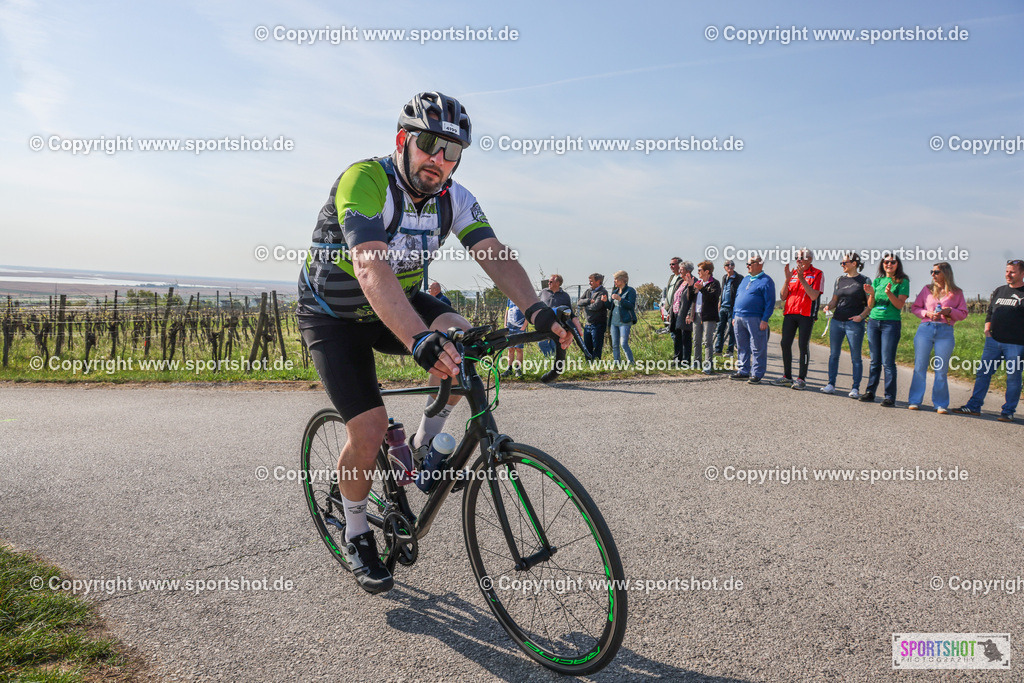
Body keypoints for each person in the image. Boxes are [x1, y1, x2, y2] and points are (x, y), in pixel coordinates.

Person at [296, 92, 572, 594]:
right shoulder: (366, 180)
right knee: (369, 427)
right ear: (403, 140)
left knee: (463, 342)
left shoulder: (455, 198)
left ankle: (425, 445)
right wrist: (418, 337)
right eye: (428, 143)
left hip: (399, 300)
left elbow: (494, 253)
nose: (439, 159)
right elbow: (369, 266)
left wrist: (536, 308)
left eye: (452, 150)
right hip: (335, 315)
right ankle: (356, 531)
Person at [955, 259, 1024, 422]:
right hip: (993, 342)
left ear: (1022, 273)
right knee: (983, 373)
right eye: (1007, 271)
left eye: (1012, 272)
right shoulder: (1000, 290)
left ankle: (1008, 412)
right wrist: (987, 329)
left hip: (1016, 344)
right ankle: (974, 406)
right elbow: (990, 312)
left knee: (1013, 377)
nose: (1008, 274)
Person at [907, 262, 968, 413]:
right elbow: (915, 308)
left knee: (941, 369)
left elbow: (963, 313)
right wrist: (927, 313)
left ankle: (940, 404)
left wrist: (950, 311)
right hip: (925, 329)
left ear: (946, 273)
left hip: (945, 332)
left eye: (936, 272)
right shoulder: (926, 289)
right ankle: (914, 400)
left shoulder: (957, 292)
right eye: (932, 272)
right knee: (920, 367)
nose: (933, 275)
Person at [861, 254, 910, 406]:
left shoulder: (902, 281)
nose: (889, 264)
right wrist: (871, 293)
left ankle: (889, 396)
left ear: (897, 264)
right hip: (874, 321)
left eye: (892, 262)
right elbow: (870, 305)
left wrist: (889, 293)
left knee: (888, 362)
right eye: (886, 262)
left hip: (890, 323)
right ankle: (870, 392)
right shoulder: (877, 281)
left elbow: (899, 305)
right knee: (875, 361)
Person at [772, 248, 823, 390]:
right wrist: (787, 279)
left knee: (802, 345)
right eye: (797, 257)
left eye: (801, 257)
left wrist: (802, 279)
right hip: (790, 312)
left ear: (809, 259)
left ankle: (801, 379)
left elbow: (813, 295)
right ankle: (787, 376)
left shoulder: (817, 273)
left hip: (806, 314)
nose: (798, 260)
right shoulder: (793, 273)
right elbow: (783, 296)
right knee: (785, 343)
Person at [820, 252, 870, 398]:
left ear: (854, 263)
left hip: (854, 323)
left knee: (855, 357)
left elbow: (870, 303)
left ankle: (855, 388)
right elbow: (835, 300)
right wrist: (828, 306)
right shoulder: (839, 280)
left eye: (844, 263)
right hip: (837, 321)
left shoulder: (864, 280)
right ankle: (831, 384)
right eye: (841, 263)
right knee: (834, 354)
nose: (842, 265)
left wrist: (861, 317)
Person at [731, 256, 776, 383]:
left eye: (750, 263)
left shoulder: (766, 281)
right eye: (747, 263)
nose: (747, 266)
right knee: (741, 346)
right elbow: (737, 297)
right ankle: (743, 370)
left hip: (755, 318)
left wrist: (765, 319)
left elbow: (770, 302)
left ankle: (757, 373)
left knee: (757, 347)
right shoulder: (745, 279)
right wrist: (734, 315)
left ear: (759, 264)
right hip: (739, 317)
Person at [686, 260, 721, 374]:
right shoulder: (698, 282)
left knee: (707, 341)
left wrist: (702, 288)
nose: (698, 272)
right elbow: (690, 298)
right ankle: (696, 362)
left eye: (700, 270)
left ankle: (708, 366)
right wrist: (690, 286)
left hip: (708, 316)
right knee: (696, 340)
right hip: (696, 314)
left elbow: (713, 298)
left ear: (707, 271)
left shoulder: (715, 283)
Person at [538, 274, 579, 356]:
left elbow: (569, 311)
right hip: (545, 324)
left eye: (550, 282)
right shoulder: (543, 292)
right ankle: (550, 357)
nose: (548, 283)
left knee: (555, 345)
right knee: (541, 343)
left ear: (557, 283)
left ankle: (553, 360)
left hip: (558, 325)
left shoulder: (565, 296)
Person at [577, 272, 611, 358]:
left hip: (598, 324)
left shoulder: (602, 292)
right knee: (587, 346)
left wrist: (585, 307)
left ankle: (596, 363)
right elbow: (579, 302)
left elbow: (596, 306)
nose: (589, 283)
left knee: (597, 346)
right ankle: (588, 363)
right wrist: (588, 301)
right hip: (588, 323)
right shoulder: (588, 291)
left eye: (591, 281)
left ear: (598, 281)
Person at [609, 270, 637, 364]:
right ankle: (617, 363)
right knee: (615, 344)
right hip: (614, 321)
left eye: (616, 279)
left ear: (623, 280)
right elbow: (610, 306)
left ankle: (631, 362)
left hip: (625, 321)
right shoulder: (615, 291)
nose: (615, 281)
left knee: (624, 343)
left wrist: (620, 299)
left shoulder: (630, 291)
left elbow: (631, 306)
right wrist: (605, 301)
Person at [671, 261, 696, 365]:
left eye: (681, 269)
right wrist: (670, 312)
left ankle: (686, 360)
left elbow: (693, 300)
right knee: (677, 337)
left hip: (685, 313)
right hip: (676, 313)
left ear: (688, 271)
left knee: (686, 337)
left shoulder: (693, 282)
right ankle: (677, 359)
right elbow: (675, 298)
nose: (680, 271)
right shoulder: (681, 282)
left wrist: (689, 313)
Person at [715, 259, 741, 355]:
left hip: (732, 307)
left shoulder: (739, 278)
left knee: (731, 330)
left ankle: (730, 350)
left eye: (731, 264)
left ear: (734, 266)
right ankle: (718, 350)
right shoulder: (724, 277)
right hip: (723, 307)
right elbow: (723, 291)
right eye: (727, 265)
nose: (730, 266)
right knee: (720, 329)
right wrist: (719, 302)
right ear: (724, 267)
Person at [661, 258, 684, 360]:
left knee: (677, 334)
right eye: (670, 264)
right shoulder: (672, 277)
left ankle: (680, 356)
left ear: (680, 265)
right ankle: (677, 355)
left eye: (673, 264)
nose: (671, 266)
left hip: (677, 309)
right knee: (672, 332)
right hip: (669, 308)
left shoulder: (682, 278)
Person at [502, 298, 526, 378]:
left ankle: (518, 369)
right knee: (510, 349)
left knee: (519, 349)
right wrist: (505, 324)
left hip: (520, 327)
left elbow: (527, 312)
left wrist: (524, 326)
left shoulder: (524, 297)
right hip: (510, 327)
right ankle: (509, 369)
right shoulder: (509, 298)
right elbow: (507, 311)